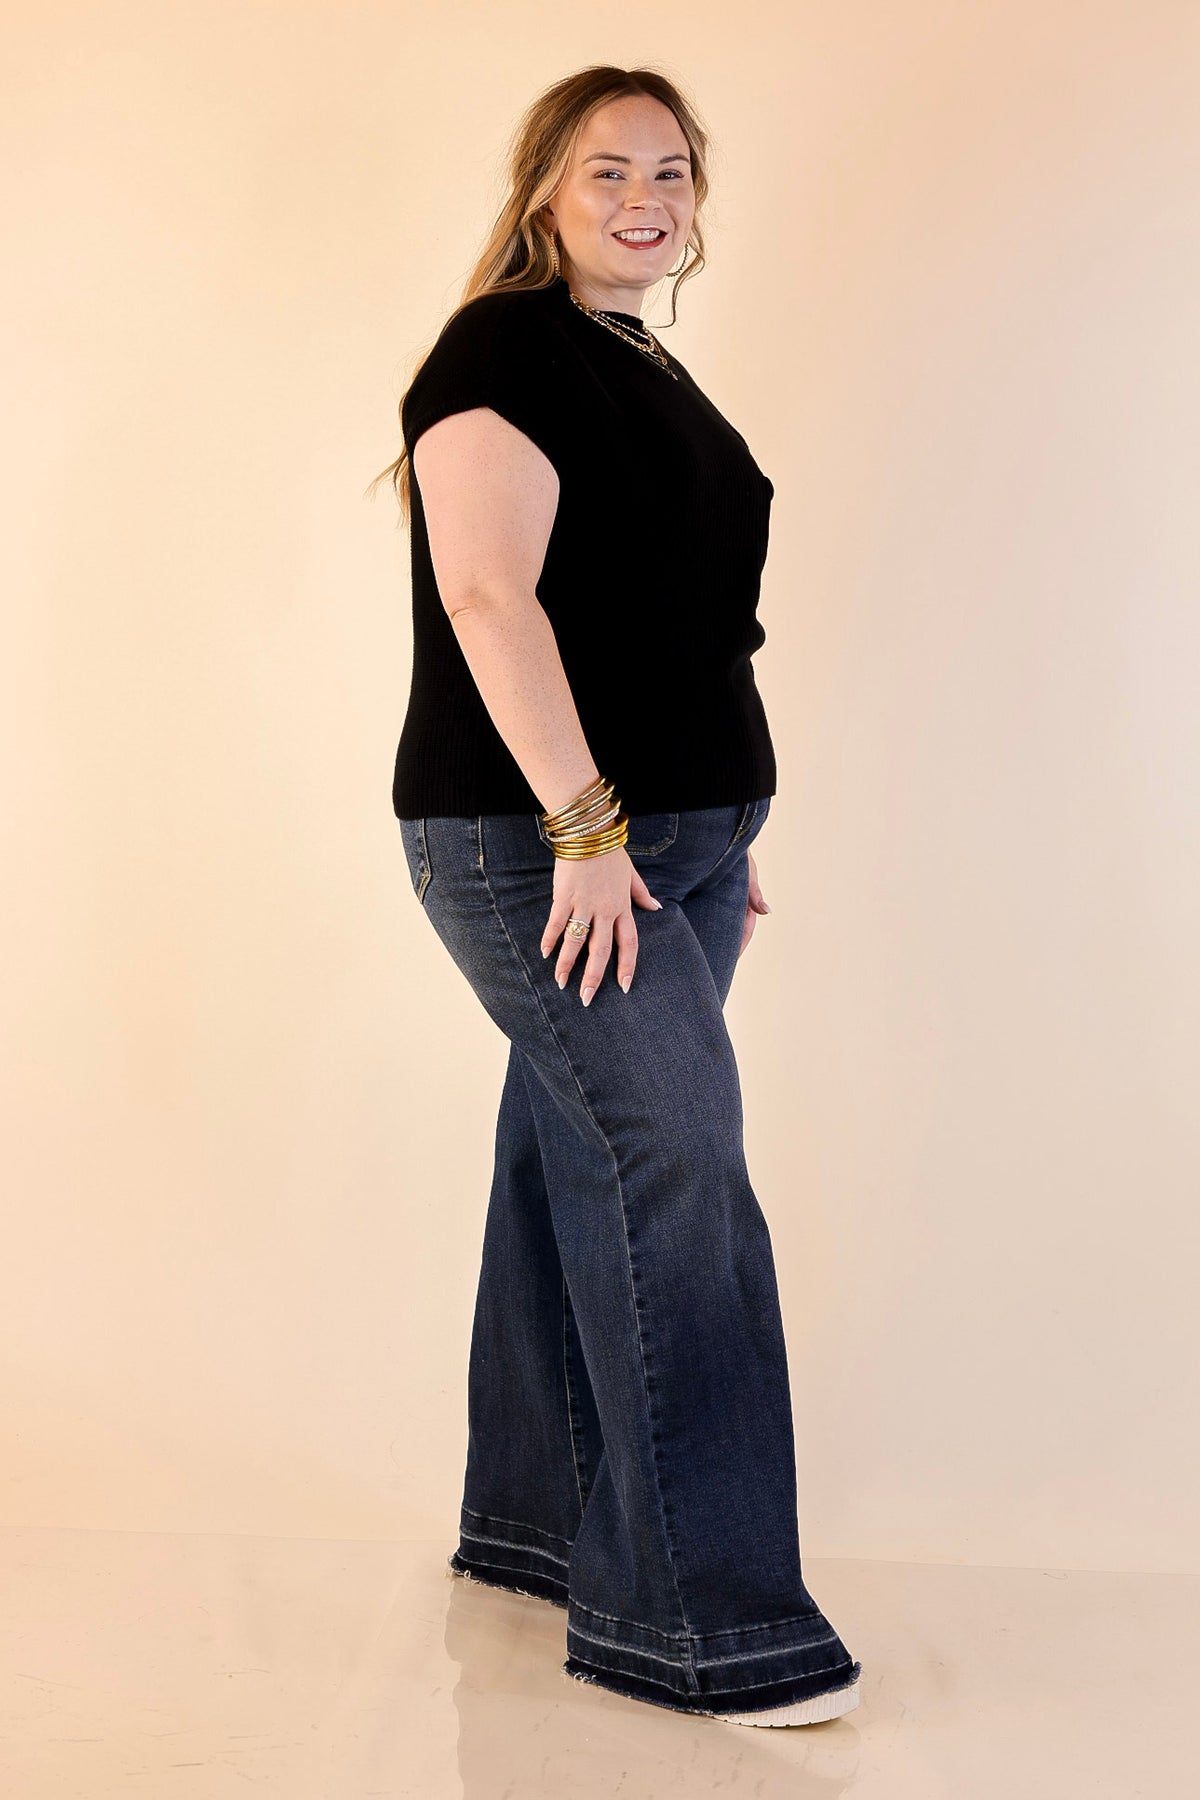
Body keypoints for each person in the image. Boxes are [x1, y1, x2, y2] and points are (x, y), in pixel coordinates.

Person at [372, 65, 863, 1726]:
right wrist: (590, 830)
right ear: (543, 190)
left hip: (681, 848)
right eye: (608, 172)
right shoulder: (498, 353)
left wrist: (720, 826)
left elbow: (667, 620)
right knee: (675, 1166)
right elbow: (489, 597)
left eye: (671, 172)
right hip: (547, 846)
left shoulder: (637, 357)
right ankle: (706, 1626)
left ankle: (533, 1532)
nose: (646, 200)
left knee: (569, 1145)